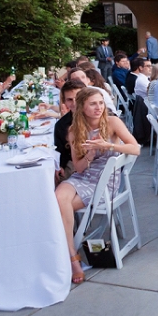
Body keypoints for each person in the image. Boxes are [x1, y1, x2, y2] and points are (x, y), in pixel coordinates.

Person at [55, 87, 140, 284]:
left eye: (101, 103)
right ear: (82, 107)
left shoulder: (112, 122)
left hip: (105, 182)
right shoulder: (74, 131)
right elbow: (78, 167)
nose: (99, 107)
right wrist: (91, 155)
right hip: (83, 178)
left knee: (58, 206)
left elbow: (135, 148)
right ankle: (72, 255)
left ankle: (71, 258)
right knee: (59, 198)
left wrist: (108, 146)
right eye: (93, 104)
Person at [53, 80, 87, 184]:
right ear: (64, 101)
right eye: (70, 100)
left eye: (78, 98)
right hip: (73, 163)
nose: (75, 103)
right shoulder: (61, 125)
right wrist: (60, 166)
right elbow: (60, 150)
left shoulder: (99, 117)